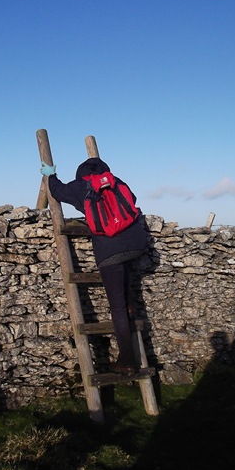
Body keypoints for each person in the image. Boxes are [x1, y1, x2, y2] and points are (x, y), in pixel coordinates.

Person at [40, 157, 147, 374]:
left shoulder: (82, 185)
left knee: (116, 308)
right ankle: (129, 304)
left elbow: (58, 191)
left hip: (110, 250)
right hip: (136, 243)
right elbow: (132, 200)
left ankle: (127, 361)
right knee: (126, 283)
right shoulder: (116, 181)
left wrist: (50, 174)